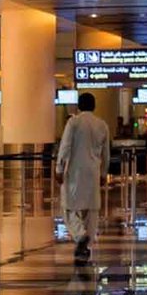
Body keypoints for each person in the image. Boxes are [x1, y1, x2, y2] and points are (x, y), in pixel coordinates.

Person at [57, 92, 112, 265]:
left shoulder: (73, 122)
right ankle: (86, 244)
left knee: (68, 206)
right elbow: (106, 153)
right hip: (93, 172)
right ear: (94, 106)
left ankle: (80, 236)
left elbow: (65, 146)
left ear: (78, 106)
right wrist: (104, 173)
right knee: (92, 209)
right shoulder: (102, 125)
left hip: (74, 172)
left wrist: (59, 168)